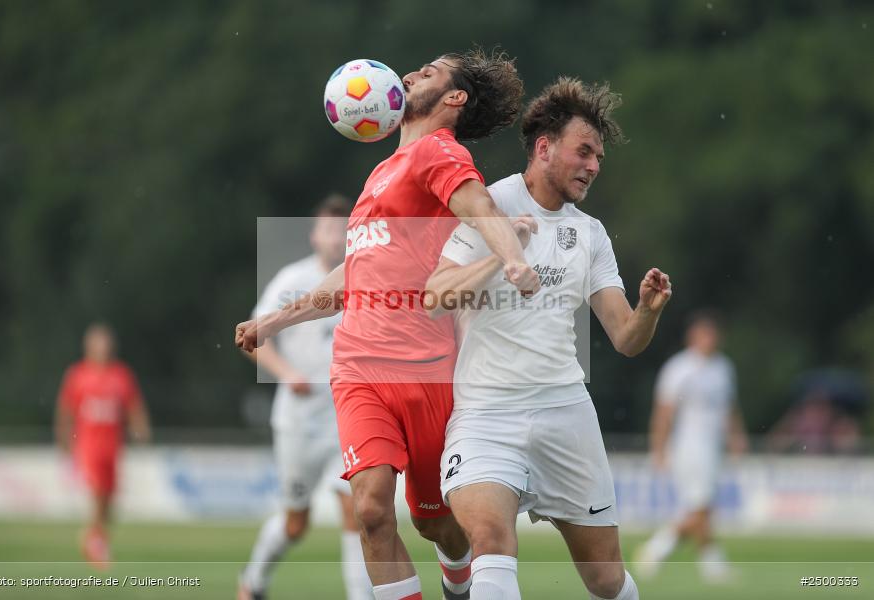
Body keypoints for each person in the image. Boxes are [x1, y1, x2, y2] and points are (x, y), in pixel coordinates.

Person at [237, 47, 540, 600]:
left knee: (435, 525)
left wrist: (514, 259)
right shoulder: (381, 171)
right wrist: (276, 320)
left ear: (454, 98)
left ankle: (458, 578)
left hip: (426, 373)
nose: (407, 75)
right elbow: (357, 268)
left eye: (427, 73)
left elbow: (479, 208)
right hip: (357, 369)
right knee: (372, 511)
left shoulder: (437, 153)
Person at [425, 76, 668, 600]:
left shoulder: (591, 233)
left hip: (566, 415)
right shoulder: (489, 204)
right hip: (487, 416)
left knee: (606, 580)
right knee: (491, 538)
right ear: (544, 147)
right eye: (584, 151)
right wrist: (501, 253)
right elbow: (435, 294)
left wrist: (647, 310)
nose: (594, 166)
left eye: (599, 156)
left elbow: (626, 338)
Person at [238, 196, 372, 600]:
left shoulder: (365, 274)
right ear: (314, 235)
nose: (335, 237)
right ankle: (253, 583)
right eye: (328, 228)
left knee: (357, 513)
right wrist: (287, 373)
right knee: (297, 523)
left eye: (342, 228)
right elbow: (253, 339)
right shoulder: (291, 280)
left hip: (346, 420)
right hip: (300, 423)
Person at [635, 311, 747, 582]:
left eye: (712, 334)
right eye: (703, 334)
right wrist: (659, 448)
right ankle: (658, 550)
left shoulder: (723, 368)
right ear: (692, 337)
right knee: (700, 507)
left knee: (700, 508)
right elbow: (664, 412)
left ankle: (708, 565)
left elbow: (729, 408)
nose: (708, 340)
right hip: (689, 445)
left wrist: (736, 435)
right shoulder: (679, 368)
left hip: (713, 446)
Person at [55, 323, 151, 568]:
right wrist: (63, 439)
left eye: (106, 343)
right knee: (97, 492)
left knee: (109, 500)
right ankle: (96, 544)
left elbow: (133, 406)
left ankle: (93, 537)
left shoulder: (121, 375)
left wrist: (140, 428)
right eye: (98, 343)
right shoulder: (78, 375)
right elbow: (65, 410)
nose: (103, 348)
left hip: (112, 446)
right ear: (88, 346)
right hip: (88, 445)